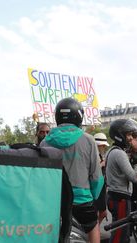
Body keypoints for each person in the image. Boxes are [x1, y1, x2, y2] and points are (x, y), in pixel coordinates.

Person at [40, 98, 103, 243]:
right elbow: (96, 178)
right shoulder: (88, 140)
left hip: (55, 203)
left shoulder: (45, 142)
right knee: (94, 226)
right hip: (82, 202)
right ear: (79, 116)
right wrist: (93, 196)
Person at [106, 119, 137, 243]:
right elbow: (133, 177)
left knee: (120, 230)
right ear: (119, 135)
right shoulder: (119, 153)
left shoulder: (112, 151)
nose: (130, 138)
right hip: (120, 197)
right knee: (120, 233)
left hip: (114, 195)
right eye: (127, 134)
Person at [93, 132, 109, 225]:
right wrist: (102, 164)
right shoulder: (93, 155)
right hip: (96, 188)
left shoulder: (98, 155)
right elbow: (91, 170)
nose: (104, 148)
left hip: (100, 186)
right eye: (103, 146)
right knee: (100, 212)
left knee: (101, 212)